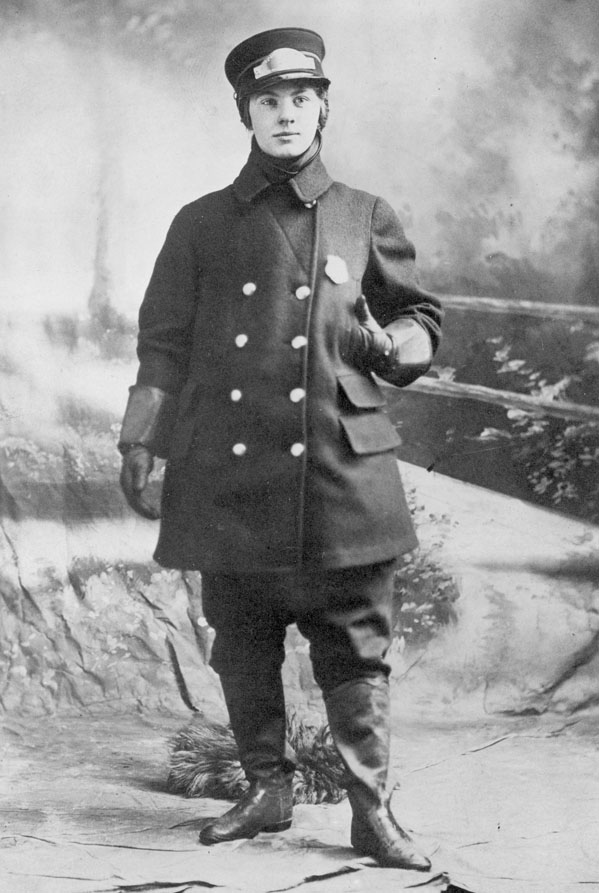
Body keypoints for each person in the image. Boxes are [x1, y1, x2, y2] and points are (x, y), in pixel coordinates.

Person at [118, 27, 442, 871]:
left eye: (302, 98)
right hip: (229, 468)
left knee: (355, 641)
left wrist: (398, 344)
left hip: (341, 467)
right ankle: (266, 788)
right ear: (246, 114)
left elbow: (419, 319)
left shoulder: (365, 213)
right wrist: (140, 436)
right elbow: (163, 343)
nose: (287, 113)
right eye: (269, 100)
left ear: (323, 107)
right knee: (243, 633)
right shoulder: (200, 224)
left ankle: (372, 811)